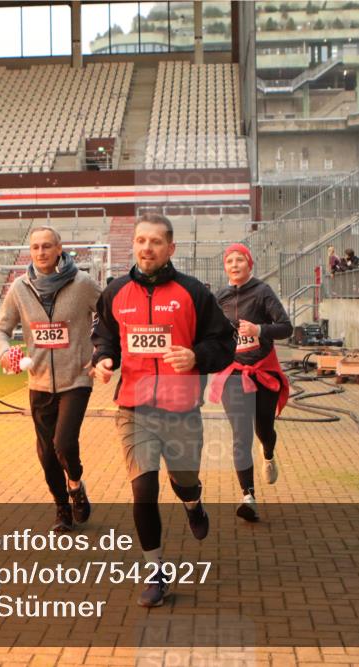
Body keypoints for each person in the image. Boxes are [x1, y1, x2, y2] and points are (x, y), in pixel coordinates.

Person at [91, 212, 236, 607]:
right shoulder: (116, 291)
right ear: (133, 245)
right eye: (140, 240)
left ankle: (193, 501)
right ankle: (155, 571)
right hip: (133, 408)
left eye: (155, 242)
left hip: (181, 408)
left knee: (184, 478)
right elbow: (105, 334)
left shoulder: (194, 293)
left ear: (170, 248)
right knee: (143, 490)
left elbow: (225, 342)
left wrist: (196, 355)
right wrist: (104, 359)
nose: (146, 248)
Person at [0, 226, 101, 532]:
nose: (40, 252)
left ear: (59, 249)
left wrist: (99, 352)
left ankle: (76, 485)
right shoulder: (20, 288)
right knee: (46, 455)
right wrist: (3, 352)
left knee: (63, 444)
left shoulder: (82, 284)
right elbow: (1, 329)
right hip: (38, 382)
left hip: (77, 378)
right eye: (35, 247)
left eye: (46, 246)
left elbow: (109, 315)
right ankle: (62, 508)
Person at [209, 244, 292, 522]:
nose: (234, 265)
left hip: (262, 371)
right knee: (240, 435)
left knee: (263, 429)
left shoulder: (262, 292)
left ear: (249, 264)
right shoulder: (219, 297)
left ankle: (268, 453)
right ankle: (248, 496)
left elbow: (286, 327)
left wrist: (259, 330)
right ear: (225, 267)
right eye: (229, 261)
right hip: (233, 373)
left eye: (240, 260)